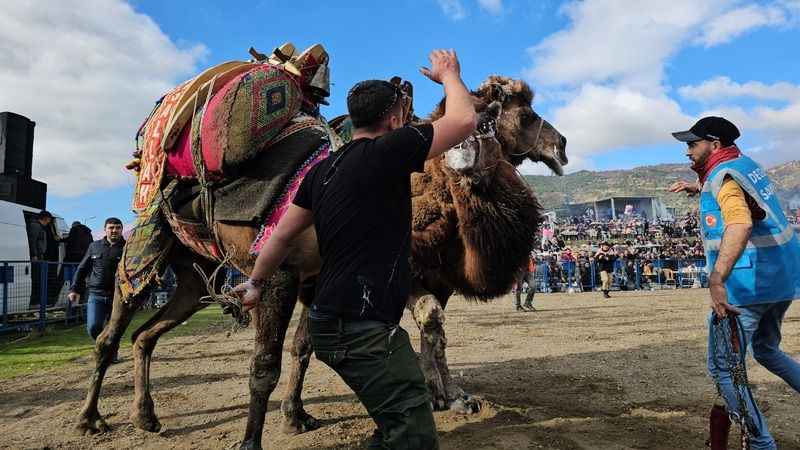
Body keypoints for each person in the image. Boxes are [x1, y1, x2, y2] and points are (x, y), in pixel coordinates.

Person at [233, 49, 477, 449]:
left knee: (397, 405)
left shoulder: (321, 171)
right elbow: (464, 120)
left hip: (331, 325)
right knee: (415, 433)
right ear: (395, 119)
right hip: (361, 329)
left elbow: (279, 236)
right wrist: (450, 75)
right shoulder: (391, 150)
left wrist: (256, 283)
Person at [670, 116, 800, 450]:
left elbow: (740, 222)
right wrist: (696, 187)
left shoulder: (724, 177)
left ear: (713, 145)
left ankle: (760, 444)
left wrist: (717, 278)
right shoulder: (744, 164)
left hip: (748, 284)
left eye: (692, 143)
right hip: (780, 280)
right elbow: (745, 199)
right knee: (768, 350)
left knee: (725, 370)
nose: (687, 151)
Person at [68, 218, 125, 362]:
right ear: (105, 229)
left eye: (118, 227)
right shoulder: (94, 246)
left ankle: (111, 352)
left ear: (121, 230)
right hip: (96, 295)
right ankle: (106, 348)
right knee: (93, 327)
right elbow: (82, 269)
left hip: (118, 296)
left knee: (115, 328)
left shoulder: (128, 247)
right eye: (111, 227)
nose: (114, 230)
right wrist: (74, 289)